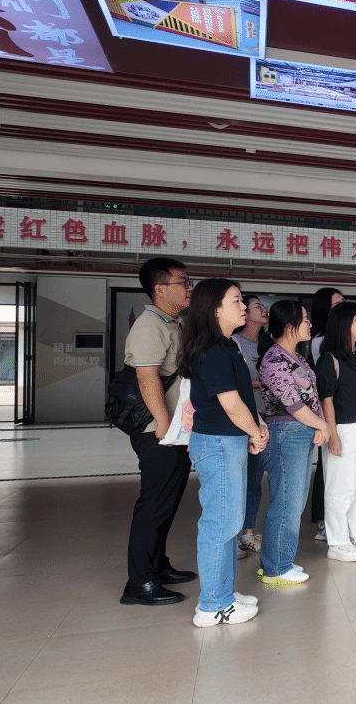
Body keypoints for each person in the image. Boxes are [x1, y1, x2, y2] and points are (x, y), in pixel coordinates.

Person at [179, 278, 269, 626]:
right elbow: (230, 405)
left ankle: (224, 593)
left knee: (229, 522)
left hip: (228, 441)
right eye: (236, 301)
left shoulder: (226, 346)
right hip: (217, 443)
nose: (244, 306)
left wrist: (256, 426)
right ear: (215, 309)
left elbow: (242, 399)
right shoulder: (213, 351)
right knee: (220, 524)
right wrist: (256, 431)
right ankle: (213, 605)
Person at [120, 257, 198, 606]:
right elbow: (146, 377)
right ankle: (140, 582)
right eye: (184, 282)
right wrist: (165, 427)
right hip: (157, 430)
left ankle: (158, 565)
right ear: (160, 289)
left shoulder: (173, 322)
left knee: (167, 502)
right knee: (154, 504)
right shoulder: (150, 325)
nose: (189, 288)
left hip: (173, 430)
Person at [256, 300, 327, 582]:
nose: (309, 324)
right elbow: (293, 404)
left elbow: (312, 397)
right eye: (305, 319)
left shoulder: (296, 356)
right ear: (289, 326)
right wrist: (322, 425)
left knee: (293, 502)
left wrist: (318, 424)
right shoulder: (274, 359)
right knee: (287, 502)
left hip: (301, 432)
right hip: (287, 434)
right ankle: (276, 568)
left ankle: (281, 560)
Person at [317, 302, 356, 561]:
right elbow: (327, 400)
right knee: (340, 486)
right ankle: (338, 542)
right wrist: (332, 435)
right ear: (344, 324)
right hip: (343, 427)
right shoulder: (329, 359)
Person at [307, 286, 344, 542]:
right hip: (330, 408)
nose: (344, 306)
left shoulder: (339, 337)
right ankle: (322, 520)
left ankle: (334, 518)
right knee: (327, 466)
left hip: (343, 409)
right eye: (338, 304)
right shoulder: (321, 340)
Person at [232, 296, 268, 556]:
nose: (263, 310)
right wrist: (265, 383)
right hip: (244, 419)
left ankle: (247, 534)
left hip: (265, 418)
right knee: (239, 479)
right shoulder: (234, 343)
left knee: (255, 479)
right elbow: (236, 383)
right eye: (258, 306)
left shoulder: (267, 344)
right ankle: (233, 536)